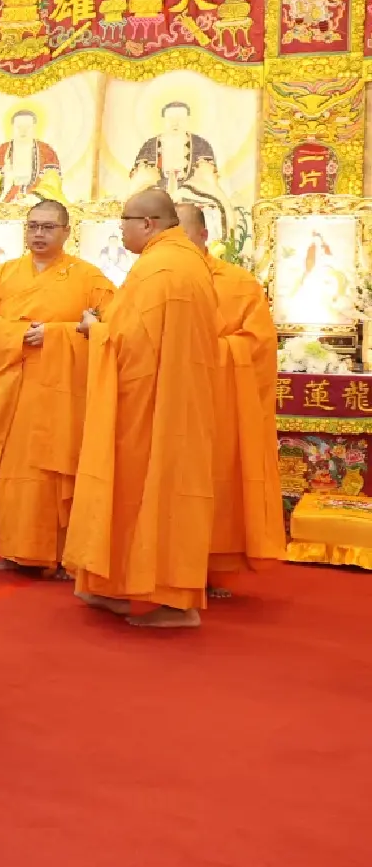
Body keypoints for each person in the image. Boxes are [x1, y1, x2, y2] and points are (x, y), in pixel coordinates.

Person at [63, 189, 219, 628]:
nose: (121, 230)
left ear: (148, 224)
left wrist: (95, 330)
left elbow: (129, 342)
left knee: (154, 491)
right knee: (140, 493)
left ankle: (177, 603)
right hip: (171, 398)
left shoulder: (159, 267)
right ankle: (113, 585)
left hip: (153, 404)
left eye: (124, 222)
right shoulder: (186, 262)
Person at [0, 199, 114, 575]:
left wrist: (56, 333)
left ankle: (63, 556)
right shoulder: (3, 275)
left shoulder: (88, 277)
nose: (38, 234)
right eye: (33, 226)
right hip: (12, 388)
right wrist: (19, 335)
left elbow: (110, 325)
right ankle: (16, 550)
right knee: (13, 471)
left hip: (62, 392)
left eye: (48, 227)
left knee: (59, 470)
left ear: (67, 231)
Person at [176, 203, 285, 594]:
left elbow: (257, 344)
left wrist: (200, 353)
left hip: (220, 402)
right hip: (168, 405)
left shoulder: (238, 284)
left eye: (183, 237)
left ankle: (214, 565)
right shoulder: (154, 279)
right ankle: (167, 566)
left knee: (217, 483)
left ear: (205, 236)